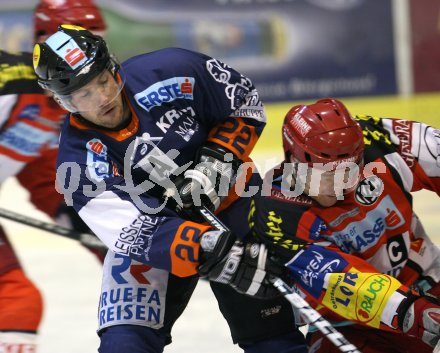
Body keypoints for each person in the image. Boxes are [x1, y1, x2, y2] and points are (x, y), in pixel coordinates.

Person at [34, 25, 308, 353]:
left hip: (233, 204)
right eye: (85, 94)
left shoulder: (172, 70)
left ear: (113, 67)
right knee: (124, 344)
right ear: (63, 101)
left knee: (273, 338)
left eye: (103, 82)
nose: (104, 98)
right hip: (155, 242)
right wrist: (209, 248)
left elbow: (242, 103)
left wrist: (215, 163)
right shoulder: (78, 162)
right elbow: (136, 233)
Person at [240, 98, 440, 353]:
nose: (340, 186)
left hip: (430, 280)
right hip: (353, 325)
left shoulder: (380, 138)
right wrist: (412, 311)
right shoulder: (276, 212)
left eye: (349, 172)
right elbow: (340, 279)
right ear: (293, 160)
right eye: (326, 175)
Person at [0, 1, 107, 352]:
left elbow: (44, 177)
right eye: (75, 42)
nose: (87, 58)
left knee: (17, 303)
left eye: (96, 42)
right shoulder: (8, 85)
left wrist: (95, 229)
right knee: (15, 299)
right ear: (43, 41)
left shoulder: (64, 105)